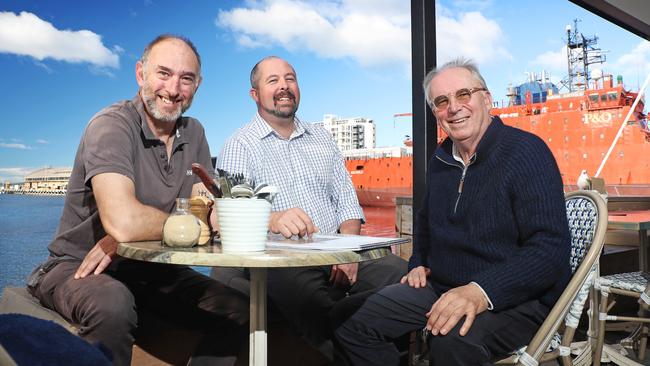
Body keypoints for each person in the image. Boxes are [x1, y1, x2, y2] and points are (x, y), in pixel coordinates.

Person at [27, 35, 249, 366]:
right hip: (78, 265)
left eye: (186, 78)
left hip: (154, 270)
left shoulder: (195, 133)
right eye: (163, 73)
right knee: (112, 306)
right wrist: (181, 225)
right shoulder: (112, 125)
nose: (173, 89)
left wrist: (203, 220)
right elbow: (123, 223)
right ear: (140, 73)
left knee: (241, 309)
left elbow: (206, 217)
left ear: (197, 85)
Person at [335, 58, 571, 365]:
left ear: (486, 99)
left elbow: (550, 249)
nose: (454, 108)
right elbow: (425, 222)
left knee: (451, 340)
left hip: (520, 298)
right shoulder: (442, 159)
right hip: (443, 288)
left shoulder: (526, 152)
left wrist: (480, 291)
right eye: (442, 101)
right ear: (436, 113)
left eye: (463, 94)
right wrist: (418, 262)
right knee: (348, 320)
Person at [210, 56, 407, 359]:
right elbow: (228, 216)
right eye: (273, 80)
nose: (284, 86)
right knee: (312, 304)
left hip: (338, 249)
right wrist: (273, 218)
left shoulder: (322, 138)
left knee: (401, 276)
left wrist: (348, 252)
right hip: (282, 260)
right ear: (255, 95)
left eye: (290, 78)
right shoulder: (240, 145)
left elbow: (347, 205)